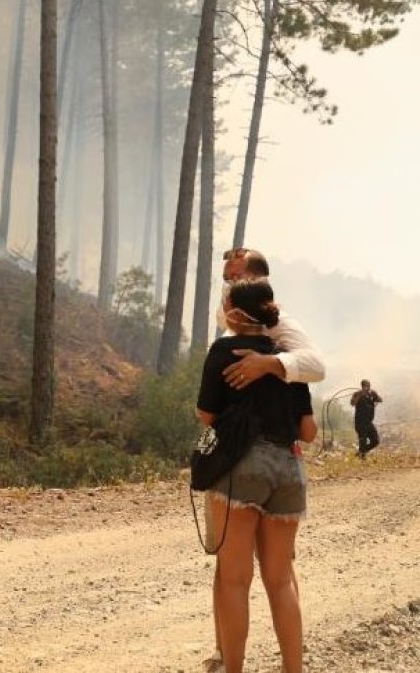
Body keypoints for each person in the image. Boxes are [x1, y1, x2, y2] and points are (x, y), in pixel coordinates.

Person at [198, 277, 313, 673]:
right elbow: (309, 431)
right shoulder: (286, 359)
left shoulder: (222, 351)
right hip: (288, 470)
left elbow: (206, 415)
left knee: (234, 580)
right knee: (280, 581)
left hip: (240, 467)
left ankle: (233, 669)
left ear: (234, 312)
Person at [218, 248, 325, 391]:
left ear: (259, 280)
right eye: (227, 279)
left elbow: (317, 367)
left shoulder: (279, 322)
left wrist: (267, 363)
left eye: (237, 277)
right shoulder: (230, 315)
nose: (230, 284)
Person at [350, 379, 383, 458]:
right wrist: (360, 395)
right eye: (365, 386)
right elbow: (352, 403)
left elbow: (380, 400)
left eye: (368, 386)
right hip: (360, 422)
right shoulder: (357, 394)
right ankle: (362, 456)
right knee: (363, 440)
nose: (367, 388)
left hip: (368, 422)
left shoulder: (371, 395)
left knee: (375, 441)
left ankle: (361, 452)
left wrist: (375, 394)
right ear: (362, 386)